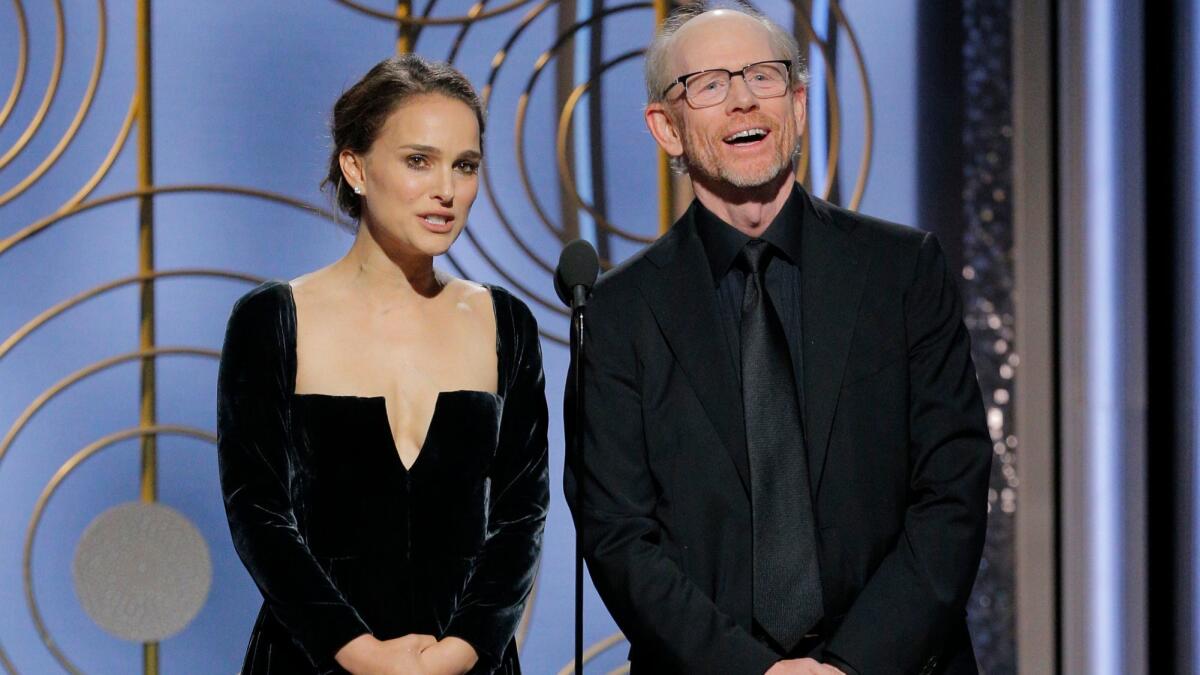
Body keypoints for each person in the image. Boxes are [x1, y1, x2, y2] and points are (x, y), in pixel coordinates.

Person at [563, 5, 991, 674]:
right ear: (665, 128)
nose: (742, 99)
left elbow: (952, 492)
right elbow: (618, 534)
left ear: (796, 103)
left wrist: (850, 663)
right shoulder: (618, 315)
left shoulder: (903, 272)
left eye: (763, 76)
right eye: (707, 84)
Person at [217, 55, 549, 675]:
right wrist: (361, 653)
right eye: (418, 161)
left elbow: (520, 514)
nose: (446, 190)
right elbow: (257, 513)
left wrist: (462, 649)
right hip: (313, 661)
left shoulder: (504, 323)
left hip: (467, 664)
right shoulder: (272, 319)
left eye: (465, 166)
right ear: (356, 167)